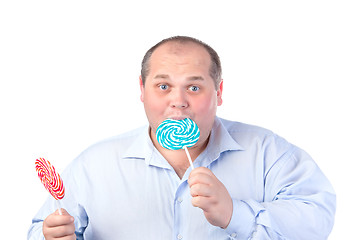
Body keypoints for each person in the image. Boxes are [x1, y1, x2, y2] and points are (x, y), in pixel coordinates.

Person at [28, 36, 336, 240]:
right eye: (163, 86)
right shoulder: (94, 165)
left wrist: (234, 214)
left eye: (194, 87)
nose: (178, 101)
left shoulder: (268, 152)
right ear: (142, 90)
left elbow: (317, 218)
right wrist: (51, 235)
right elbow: (39, 229)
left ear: (219, 92)